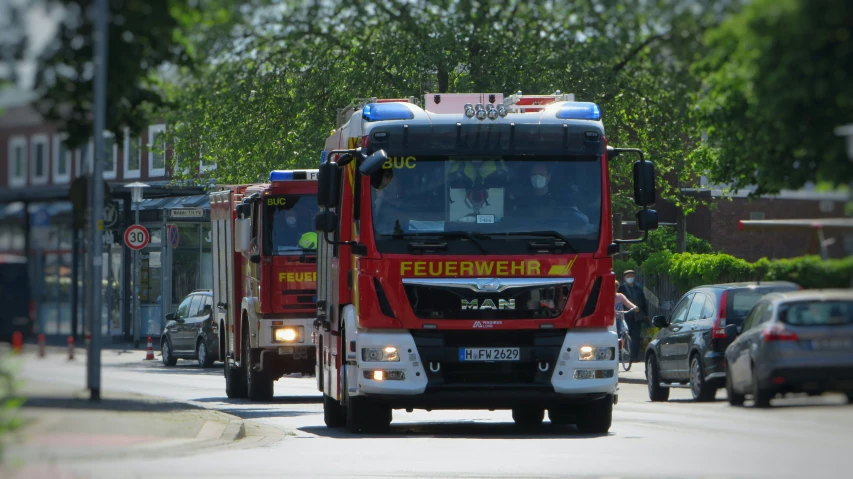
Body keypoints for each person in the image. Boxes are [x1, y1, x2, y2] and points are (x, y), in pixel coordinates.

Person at [618, 270, 648, 361]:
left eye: (632, 276)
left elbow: (643, 301)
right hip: (626, 315)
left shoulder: (638, 287)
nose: (630, 278)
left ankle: (634, 356)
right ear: (625, 278)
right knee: (625, 335)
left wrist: (646, 314)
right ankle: (623, 355)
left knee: (636, 337)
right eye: (628, 276)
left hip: (637, 316)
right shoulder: (622, 288)